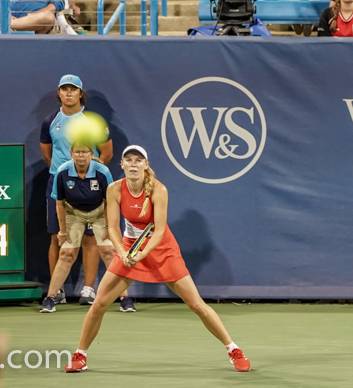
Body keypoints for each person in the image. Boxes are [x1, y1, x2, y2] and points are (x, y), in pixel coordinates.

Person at [65, 144, 251, 374]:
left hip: (161, 249)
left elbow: (160, 231)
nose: (133, 164)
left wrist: (143, 254)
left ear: (146, 165)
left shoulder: (158, 190)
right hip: (129, 247)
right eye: (129, 160)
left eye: (138, 160)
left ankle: (233, 349)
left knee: (196, 304)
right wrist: (122, 253)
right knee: (99, 304)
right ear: (122, 164)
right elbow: (112, 227)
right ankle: (80, 355)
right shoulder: (114, 189)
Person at [38, 75, 113, 309]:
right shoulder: (50, 121)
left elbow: (107, 153)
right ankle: (57, 290)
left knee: (90, 237)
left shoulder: (93, 120)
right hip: (59, 182)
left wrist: (89, 173)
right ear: (59, 93)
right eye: (64, 89)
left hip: (90, 182)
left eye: (73, 89)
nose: (69, 93)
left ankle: (88, 289)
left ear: (81, 93)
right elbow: (47, 155)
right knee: (57, 236)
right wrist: (65, 174)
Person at [43, 142, 130, 313]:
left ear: (91, 154)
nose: (81, 156)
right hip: (73, 213)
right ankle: (50, 298)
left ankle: (125, 298)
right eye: (77, 152)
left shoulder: (102, 172)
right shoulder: (62, 172)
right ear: (71, 154)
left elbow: (110, 202)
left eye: (84, 152)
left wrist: (108, 227)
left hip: (99, 213)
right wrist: (62, 231)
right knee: (66, 253)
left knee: (109, 251)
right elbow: (59, 203)